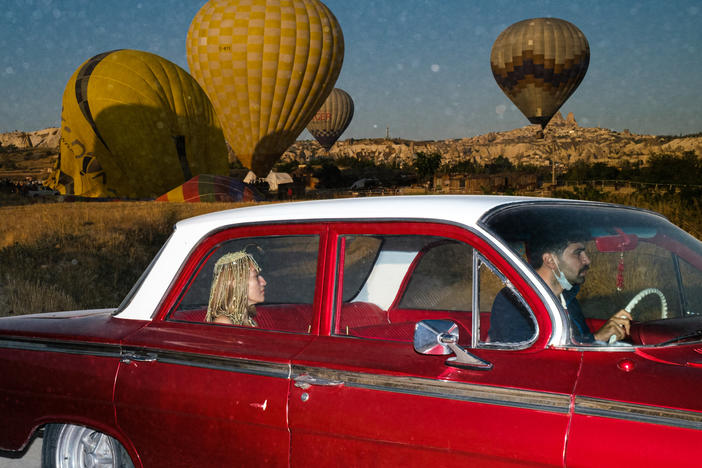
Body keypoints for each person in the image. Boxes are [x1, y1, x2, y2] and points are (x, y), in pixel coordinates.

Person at [489, 230, 632, 344]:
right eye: (578, 253)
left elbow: (581, 343)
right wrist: (597, 339)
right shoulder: (514, 300)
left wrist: (600, 337)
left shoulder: (568, 299)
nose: (587, 260)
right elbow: (529, 360)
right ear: (550, 260)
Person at [206, 250, 267, 326]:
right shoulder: (224, 322)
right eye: (256, 277)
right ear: (236, 283)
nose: (264, 282)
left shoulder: (249, 320)